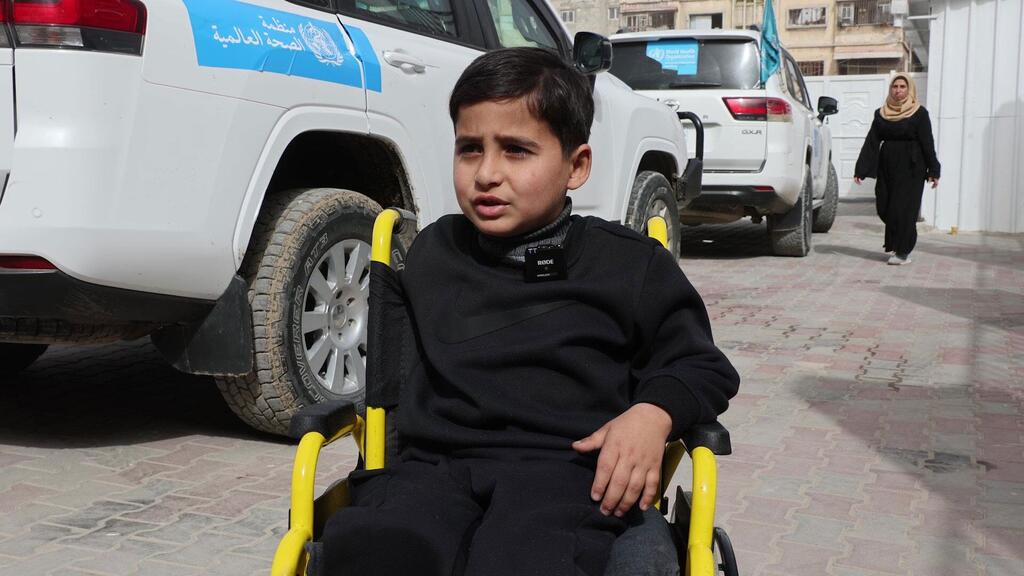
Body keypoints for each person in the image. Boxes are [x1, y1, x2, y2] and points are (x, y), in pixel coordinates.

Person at [320, 47, 740, 576]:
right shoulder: (431, 254)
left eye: (517, 150)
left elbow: (702, 368)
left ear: (576, 165)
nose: (487, 173)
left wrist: (652, 415)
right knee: (374, 550)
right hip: (432, 472)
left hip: (568, 475)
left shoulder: (628, 265)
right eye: (469, 149)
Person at [854, 73, 941, 265]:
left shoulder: (919, 113)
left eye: (903, 87)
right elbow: (872, 141)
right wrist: (861, 168)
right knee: (885, 206)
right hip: (887, 165)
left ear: (909, 89)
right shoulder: (881, 113)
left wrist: (934, 170)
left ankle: (903, 251)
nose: (898, 90)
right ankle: (896, 244)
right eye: (895, 87)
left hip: (912, 166)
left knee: (904, 209)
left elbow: (927, 143)